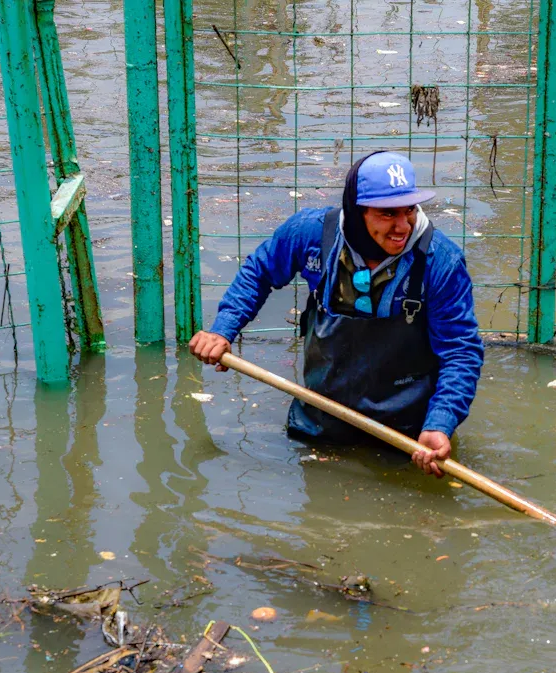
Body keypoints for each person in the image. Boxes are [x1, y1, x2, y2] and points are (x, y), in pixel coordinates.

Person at [189, 151, 484, 478]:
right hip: (320, 421)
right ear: (358, 212)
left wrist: (440, 423)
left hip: (407, 436)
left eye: (410, 210)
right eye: (388, 214)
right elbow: (258, 273)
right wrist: (223, 330)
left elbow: (460, 352)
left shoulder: (440, 261)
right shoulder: (312, 234)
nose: (403, 226)